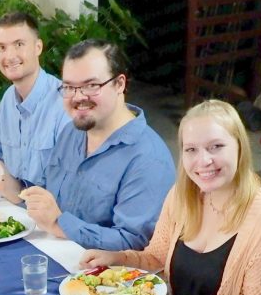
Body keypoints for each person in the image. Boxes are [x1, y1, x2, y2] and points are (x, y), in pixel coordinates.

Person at [81, 100, 261, 295]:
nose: (203, 161)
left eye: (216, 146)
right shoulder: (183, 195)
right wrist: (116, 259)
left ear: (240, 147)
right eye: (191, 149)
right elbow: (157, 257)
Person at [16, 40, 174, 252]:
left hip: (102, 271)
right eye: (69, 87)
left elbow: (135, 244)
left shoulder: (148, 158)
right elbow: (45, 193)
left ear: (119, 84)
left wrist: (59, 224)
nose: (78, 97)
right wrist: (11, 186)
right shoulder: (71, 132)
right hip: (50, 252)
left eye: (91, 86)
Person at [0, 10, 70, 193]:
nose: (10, 56)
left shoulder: (64, 103)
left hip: (50, 208)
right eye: (2, 47)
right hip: (9, 202)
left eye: (19, 44)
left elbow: (71, 183)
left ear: (38, 47)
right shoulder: (8, 99)